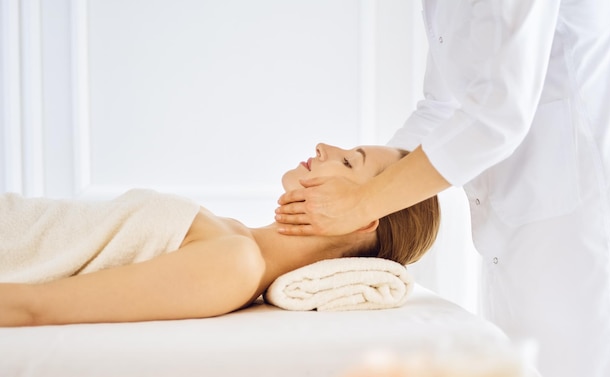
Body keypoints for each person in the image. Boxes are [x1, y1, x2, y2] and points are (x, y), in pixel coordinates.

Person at [276, 0, 610, 377]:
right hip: (511, 220)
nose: (322, 149)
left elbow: (497, 115)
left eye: (352, 157)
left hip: (576, 212)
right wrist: (368, 186)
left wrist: (365, 199)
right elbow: (442, 107)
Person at [0, 144, 440, 327]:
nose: (326, 146)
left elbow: (35, 309)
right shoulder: (233, 240)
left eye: (348, 162)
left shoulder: (234, 265)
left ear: (363, 219)